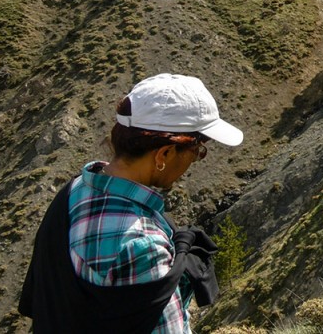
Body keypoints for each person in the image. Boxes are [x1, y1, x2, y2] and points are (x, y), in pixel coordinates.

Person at [20, 73, 244, 333]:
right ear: (164, 154)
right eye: (198, 151)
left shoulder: (74, 192)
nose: (195, 161)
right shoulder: (143, 247)